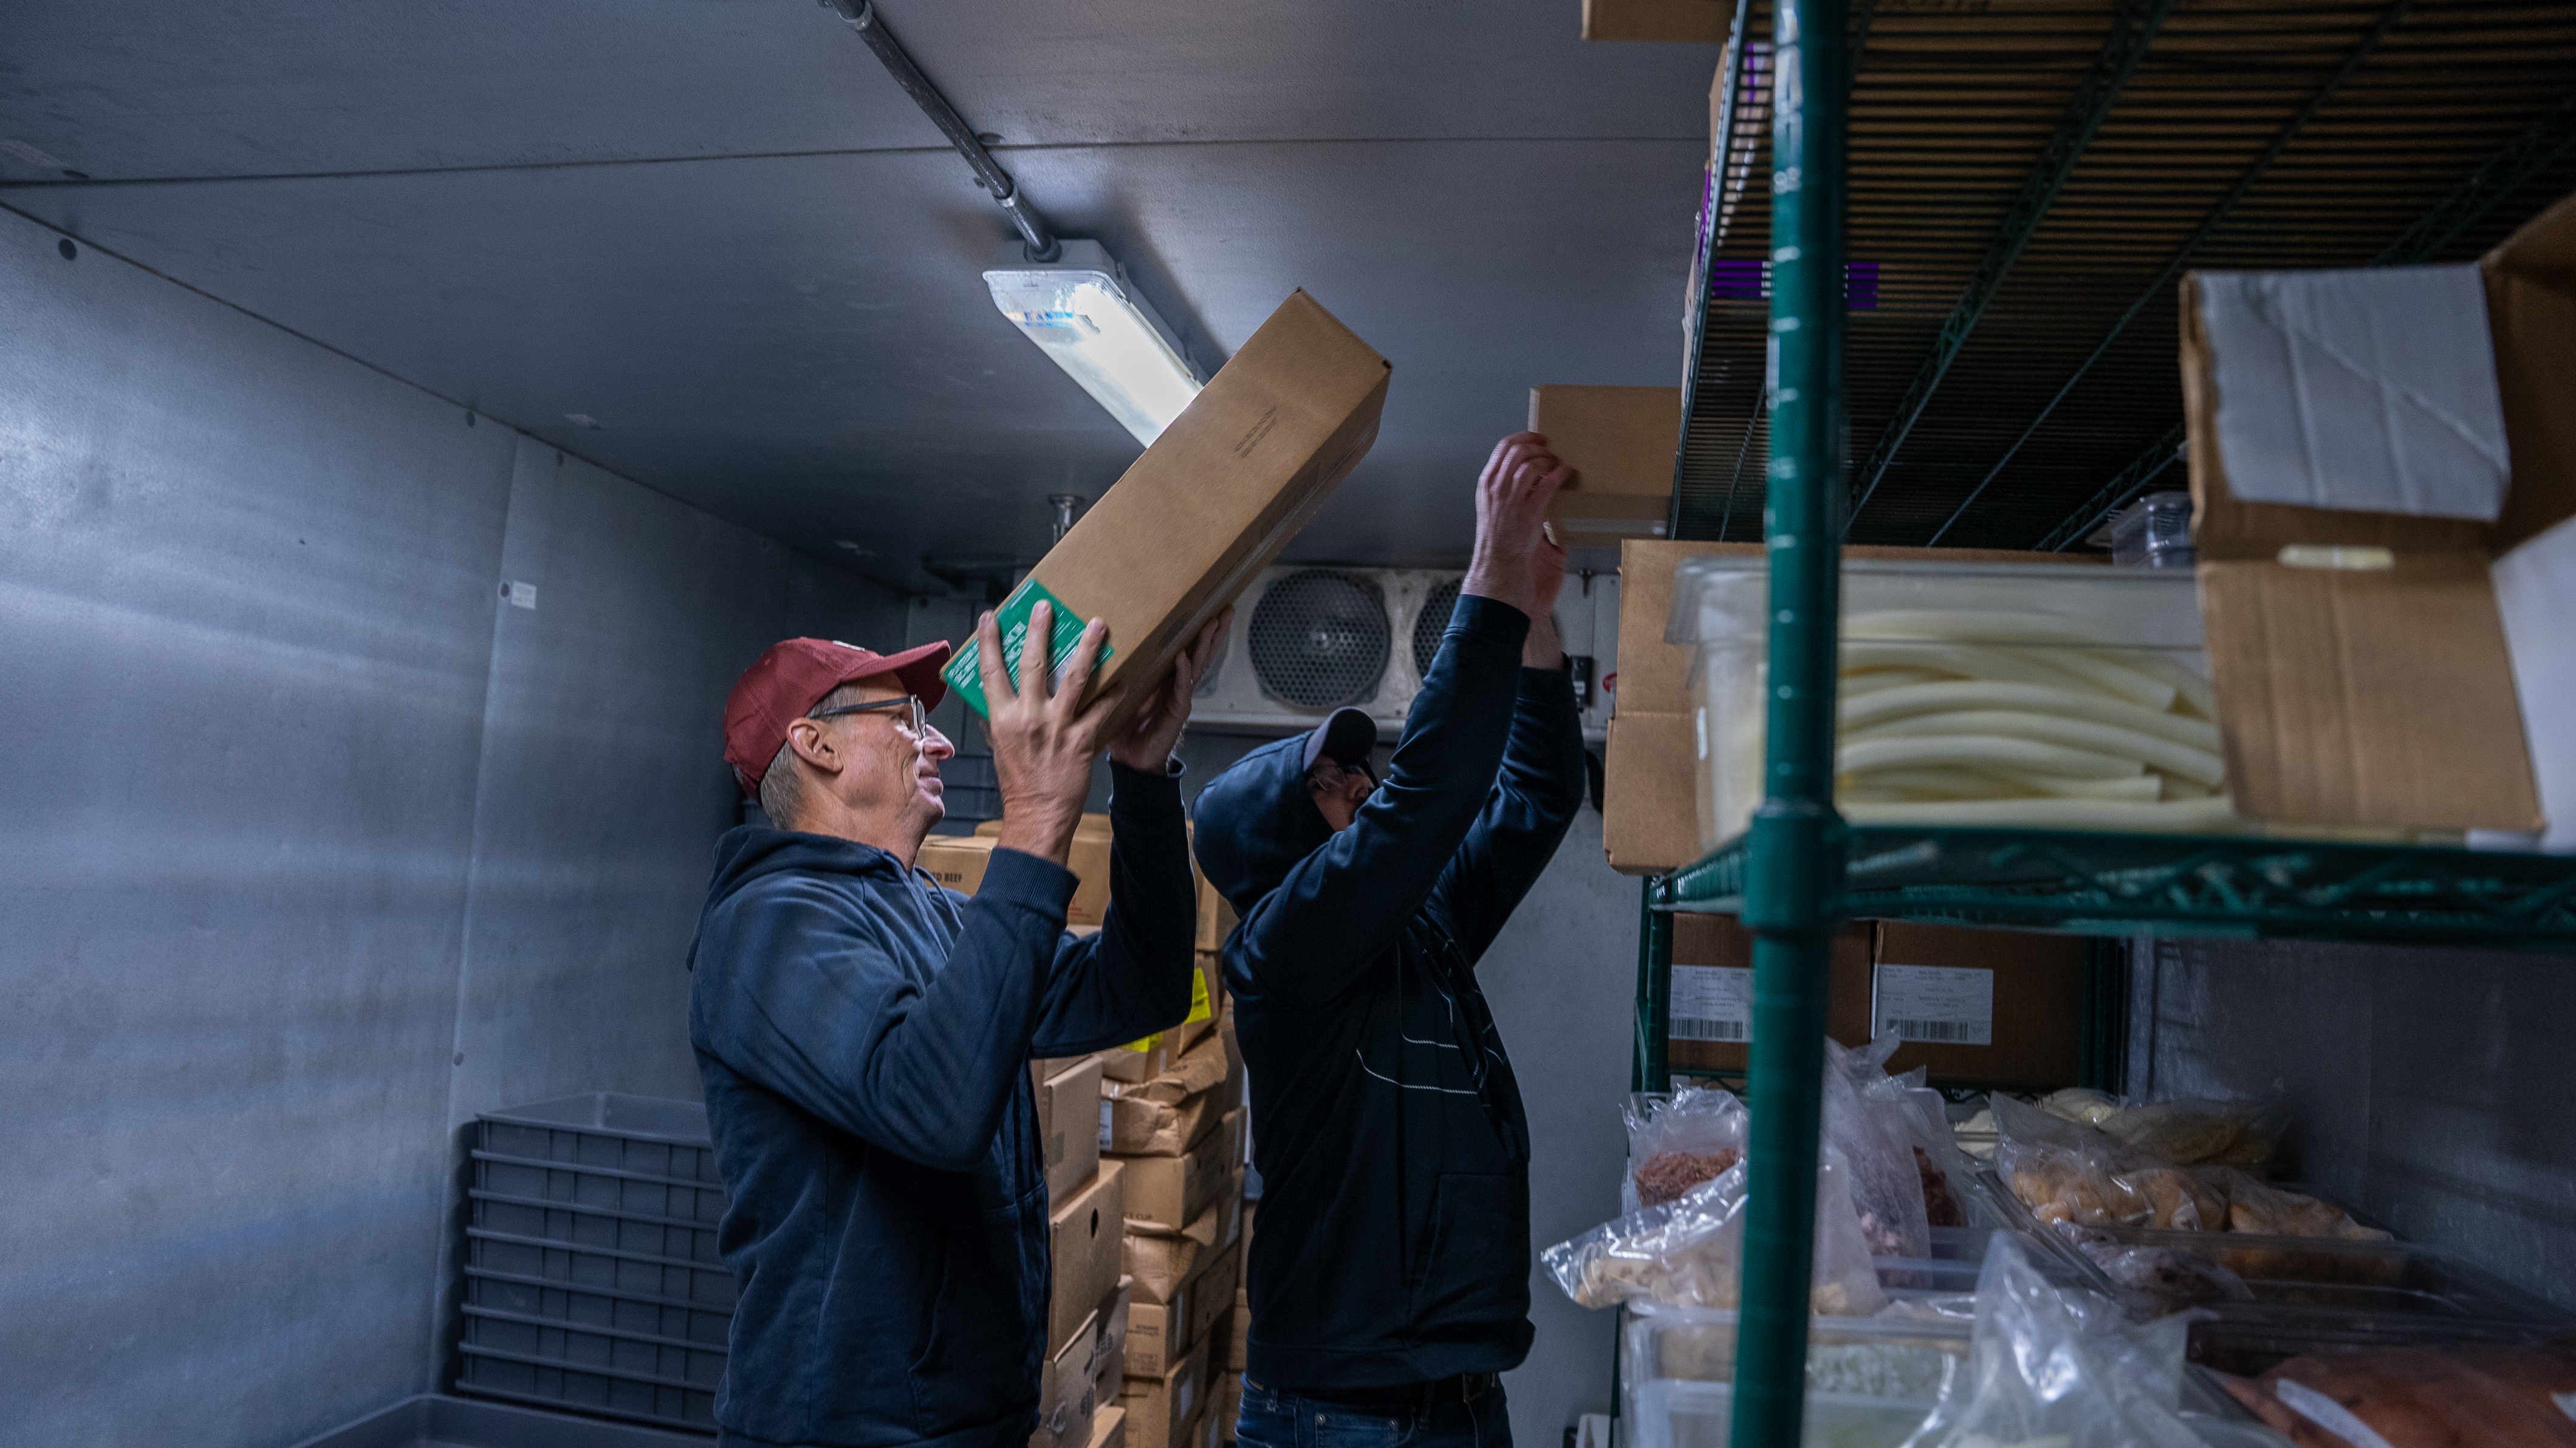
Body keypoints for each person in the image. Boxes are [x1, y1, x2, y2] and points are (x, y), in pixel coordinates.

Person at [688, 602, 1230, 1448]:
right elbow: (933, 1109)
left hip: (972, 1420)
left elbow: (1142, 991)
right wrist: (1036, 824)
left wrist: (1144, 780)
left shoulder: (936, 913)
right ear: (815, 744)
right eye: (905, 719)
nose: (938, 741)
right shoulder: (767, 928)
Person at [1191, 433, 1589, 1448]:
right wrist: (1491, 575)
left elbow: (1537, 798)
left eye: (1353, 774)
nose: (1359, 785)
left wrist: (1536, 624)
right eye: (1327, 789)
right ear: (1278, 849)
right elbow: (1431, 797)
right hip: (1340, 1418)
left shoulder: (1419, 928)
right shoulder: (1284, 951)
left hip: (1457, 1396)